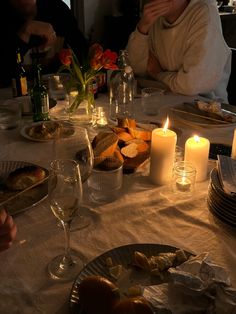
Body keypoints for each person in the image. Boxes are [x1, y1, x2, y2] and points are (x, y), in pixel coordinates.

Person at [127, 0, 231, 103]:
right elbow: (134, 69)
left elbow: (192, 85)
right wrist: (143, 27)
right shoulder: (156, 18)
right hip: (166, 101)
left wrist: (158, 74)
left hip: (207, 109)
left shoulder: (204, 12)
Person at [0, 0, 88, 87]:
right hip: (13, 98)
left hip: (61, 95)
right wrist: (25, 32)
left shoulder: (58, 10)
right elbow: (4, 77)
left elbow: (84, 58)